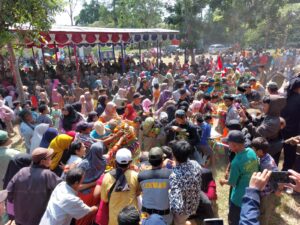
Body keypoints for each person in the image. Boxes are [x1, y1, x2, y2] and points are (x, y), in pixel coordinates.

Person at [6, 147, 61, 225]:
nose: (51, 160)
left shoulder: (22, 171)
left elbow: (9, 192)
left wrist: (11, 216)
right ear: (43, 161)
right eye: (50, 158)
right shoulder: (47, 174)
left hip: (19, 218)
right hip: (38, 220)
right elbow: (62, 187)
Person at [219, 130, 259, 225]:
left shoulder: (236, 162)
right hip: (253, 192)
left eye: (229, 144)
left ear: (234, 145)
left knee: (234, 220)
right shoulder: (251, 151)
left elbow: (232, 182)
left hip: (238, 198)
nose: (228, 146)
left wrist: (223, 181)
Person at [101, 148, 141, 225]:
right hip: (132, 220)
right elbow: (138, 193)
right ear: (130, 162)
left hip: (114, 219)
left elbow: (104, 199)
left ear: (115, 162)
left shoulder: (107, 177)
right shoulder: (135, 175)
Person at [242, 95, 286, 164]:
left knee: (268, 170)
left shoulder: (273, 121)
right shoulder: (268, 115)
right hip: (264, 148)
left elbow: (257, 133)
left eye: (265, 106)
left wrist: (246, 120)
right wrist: (246, 114)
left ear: (272, 107)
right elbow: (256, 121)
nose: (262, 107)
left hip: (270, 149)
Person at [169, 140, 202, 225]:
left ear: (173, 155)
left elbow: (177, 205)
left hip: (182, 211)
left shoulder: (174, 176)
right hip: (194, 204)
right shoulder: (196, 164)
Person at [138, 147, 172, 224]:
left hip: (146, 215)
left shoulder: (141, 176)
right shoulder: (170, 174)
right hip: (165, 216)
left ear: (149, 161)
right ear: (162, 160)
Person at [251, 137, 278, 225]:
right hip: (263, 190)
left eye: (253, 149)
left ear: (260, 151)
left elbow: (276, 178)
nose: (252, 150)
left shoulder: (267, 164)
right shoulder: (262, 157)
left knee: (264, 213)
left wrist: (277, 190)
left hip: (266, 193)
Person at [281, 76, 300, 170]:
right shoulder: (298, 99)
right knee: (289, 158)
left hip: (280, 130)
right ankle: (285, 177)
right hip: (293, 133)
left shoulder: (283, 96)